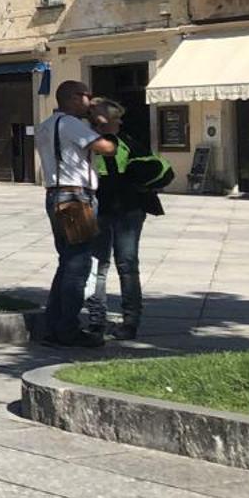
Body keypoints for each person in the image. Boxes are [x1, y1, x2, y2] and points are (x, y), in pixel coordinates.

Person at [34, 81, 115, 347]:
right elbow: (105, 148)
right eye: (85, 95)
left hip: (55, 195)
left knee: (67, 262)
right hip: (75, 198)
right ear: (71, 98)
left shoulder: (47, 124)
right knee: (78, 265)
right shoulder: (70, 123)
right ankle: (68, 329)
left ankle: (53, 326)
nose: (89, 99)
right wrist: (104, 121)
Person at [82, 97, 167, 342]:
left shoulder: (91, 143)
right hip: (127, 210)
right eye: (116, 117)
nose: (121, 121)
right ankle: (129, 322)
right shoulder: (125, 143)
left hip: (109, 210)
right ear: (103, 119)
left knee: (100, 266)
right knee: (126, 266)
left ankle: (98, 321)